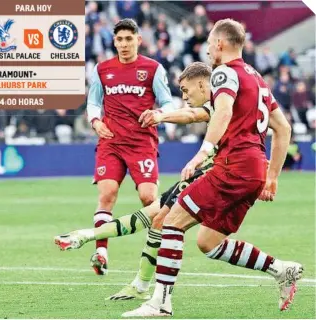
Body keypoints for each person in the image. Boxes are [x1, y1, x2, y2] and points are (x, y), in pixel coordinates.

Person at [122, 19, 302, 317]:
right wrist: (271, 178)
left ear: (220, 43)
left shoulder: (224, 73)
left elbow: (223, 111)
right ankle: (281, 269)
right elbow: (282, 128)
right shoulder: (256, 80)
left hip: (233, 165)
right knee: (209, 242)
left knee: (171, 221)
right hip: (253, 170)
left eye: (208, 43)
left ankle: (160, 302)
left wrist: (201, 153)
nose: (207, 50)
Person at [56, 62, 214, 300]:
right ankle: (140, 285)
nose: (184, 96)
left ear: (201, 83)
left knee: (191, 233)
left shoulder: (222, 103)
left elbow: (192, 115)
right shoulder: (225, 100)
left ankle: (157, 298)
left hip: (220, 177)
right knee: (159, 218)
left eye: (185, 90)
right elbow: (192, 114)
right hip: (210, 174)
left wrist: (161, 115)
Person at [86, 18, 174, 276]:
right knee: (107, 194)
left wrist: (159, 113)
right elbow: (93, 102)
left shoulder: (152, 68)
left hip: (141, 143)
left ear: (138, 39)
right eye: (119, 39)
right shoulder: (102, 70)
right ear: (114, 41)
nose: (124, 44)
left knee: (149, 198)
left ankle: (160, 252)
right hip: (111, 141)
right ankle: (101, 252)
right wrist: (95, 121)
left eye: (128, 39)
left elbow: (169, 102)